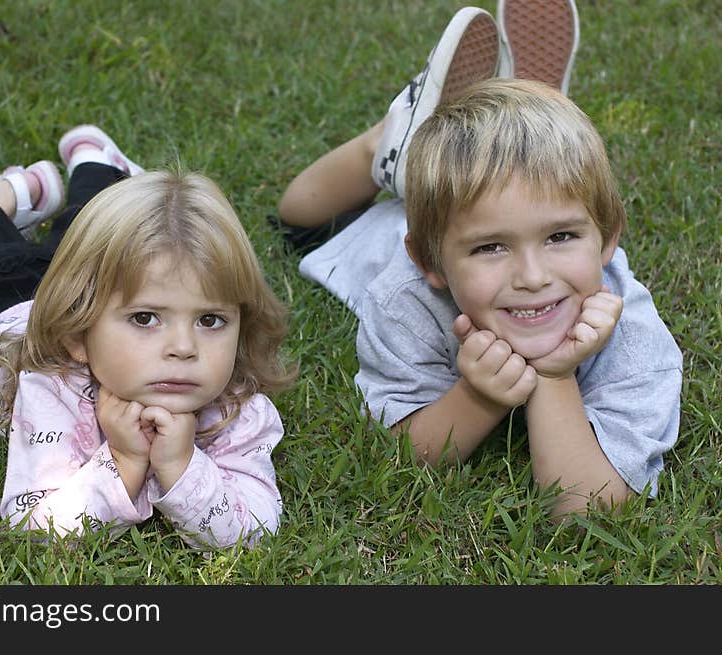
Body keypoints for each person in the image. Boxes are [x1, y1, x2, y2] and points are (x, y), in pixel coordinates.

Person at [275, 1, 682, 517]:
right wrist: (478, 398)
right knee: (298, 218)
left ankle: (514, 128)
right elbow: (401, 457)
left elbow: (586, 509)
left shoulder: (634, 333)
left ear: (608, 241)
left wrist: (555, 377)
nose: (533, 278)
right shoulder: (406, 297)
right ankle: (391, 141)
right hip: (378, 226)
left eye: (560, 236)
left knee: (504, 191)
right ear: (430, 262)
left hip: (463, 208)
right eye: (491, 247)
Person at [0, 126, 296, 548]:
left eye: (210, 320)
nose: (183, 348)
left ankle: (95, 164)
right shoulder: (51, 387)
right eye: (146, 318)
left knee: (80, 241)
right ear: (77, 336)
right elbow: (34, 524)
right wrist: (123, 462)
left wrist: (183, 467)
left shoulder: (237, 408)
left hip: (96, 285)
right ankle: (5, 199)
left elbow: (257, 526)